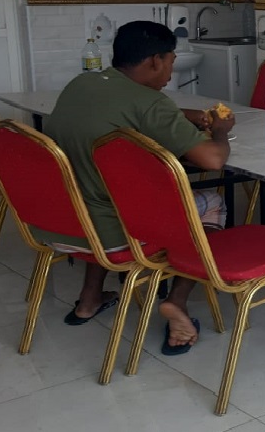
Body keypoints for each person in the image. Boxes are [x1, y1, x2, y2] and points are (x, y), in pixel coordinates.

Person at [41, 20, 235, 355]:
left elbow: (124, 109)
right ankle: (178, 301)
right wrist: (220, 130)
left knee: (103, 191)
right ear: (155, 61)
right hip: (112, 232)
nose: (171, 72)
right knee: (211, 203)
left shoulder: (82, 83)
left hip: (62, 221)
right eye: (171, 62)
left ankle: (89, 299)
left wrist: (181, 115)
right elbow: (213, 159)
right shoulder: (151, 103)